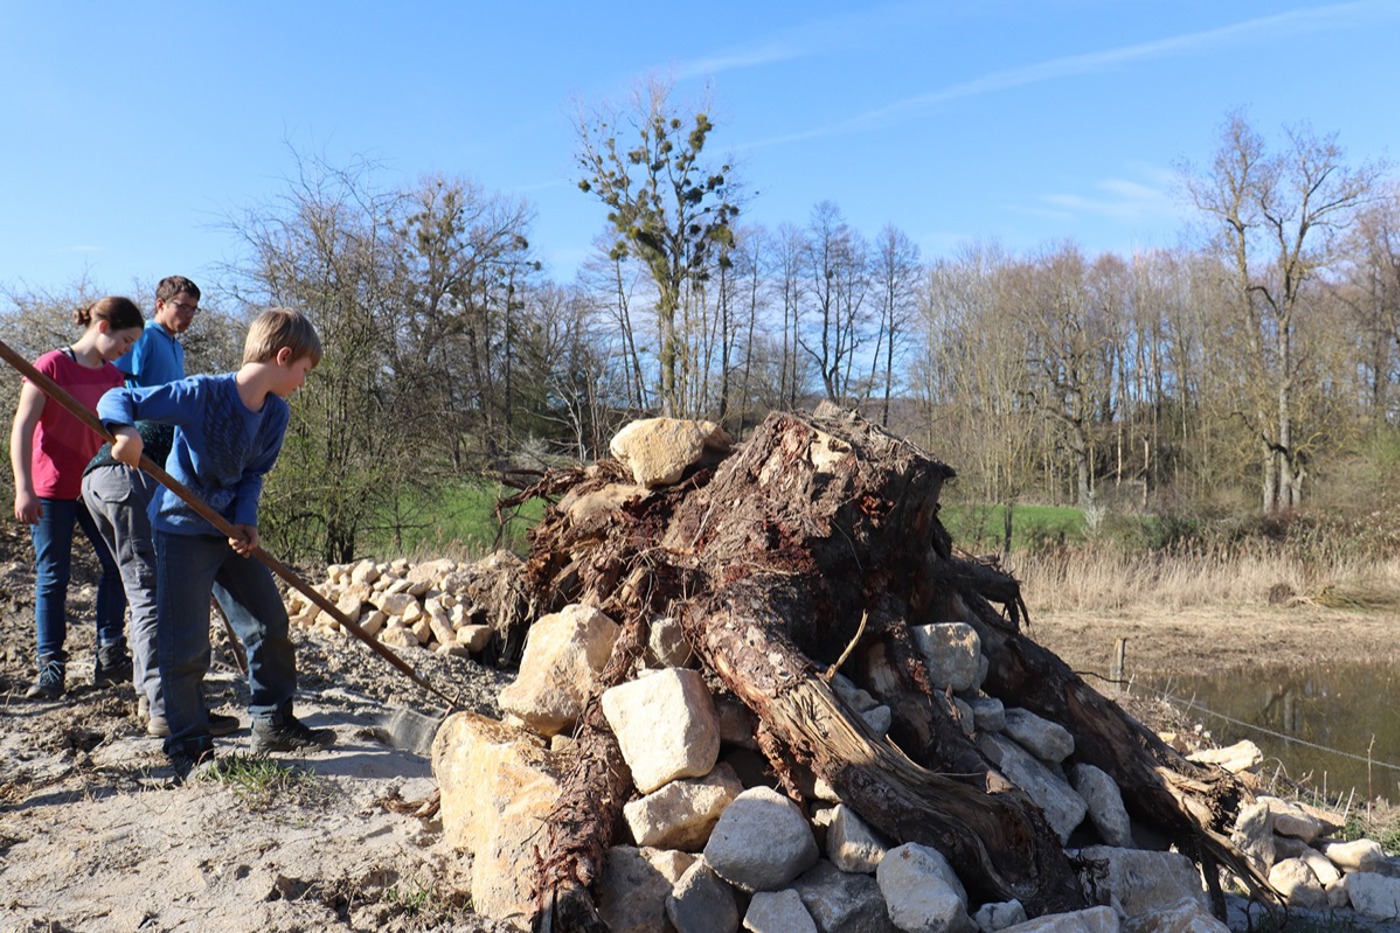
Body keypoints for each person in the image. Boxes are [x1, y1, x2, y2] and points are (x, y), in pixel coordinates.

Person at [99, 307, 335, 775]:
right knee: (185, 643)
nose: (304, 382)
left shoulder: (276, 414)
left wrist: (247, 522)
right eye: (305, 371)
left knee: (268, 621)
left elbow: (253, 475)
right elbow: (117, 397)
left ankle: (272, 721)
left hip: (229, 534)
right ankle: (188, 744)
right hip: (182, 530)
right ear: (283, 356)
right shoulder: (202, 394)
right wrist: (124, 433)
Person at [81, 276, 238, 738]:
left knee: (143, 589)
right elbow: (116, 386)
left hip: (115, 477)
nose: (187, 316)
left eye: (193, 309)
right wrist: (123, 429)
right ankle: (167, 708)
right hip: (127, 469)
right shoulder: (148, 340)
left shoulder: (176, 350)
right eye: (181, 306)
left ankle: (152, 695)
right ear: (161, 304)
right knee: (149, 591)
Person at [10, 296, 144, 699]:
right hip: (51, 489)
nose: (126, 350)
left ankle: (109, 653)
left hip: (95, 488)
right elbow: (22, 428)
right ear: (103, 327)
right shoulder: (51, 365)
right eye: (125, 340)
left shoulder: (114, 378)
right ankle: (51, 667)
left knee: (116, 564)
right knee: (54, 576)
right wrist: (23, 487)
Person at [113, 275, 200, 388]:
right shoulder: (144, 335)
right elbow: (112, 379)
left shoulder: (177, 347)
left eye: (193, 309)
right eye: (184, 307)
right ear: (161, 305)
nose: (190, 315)